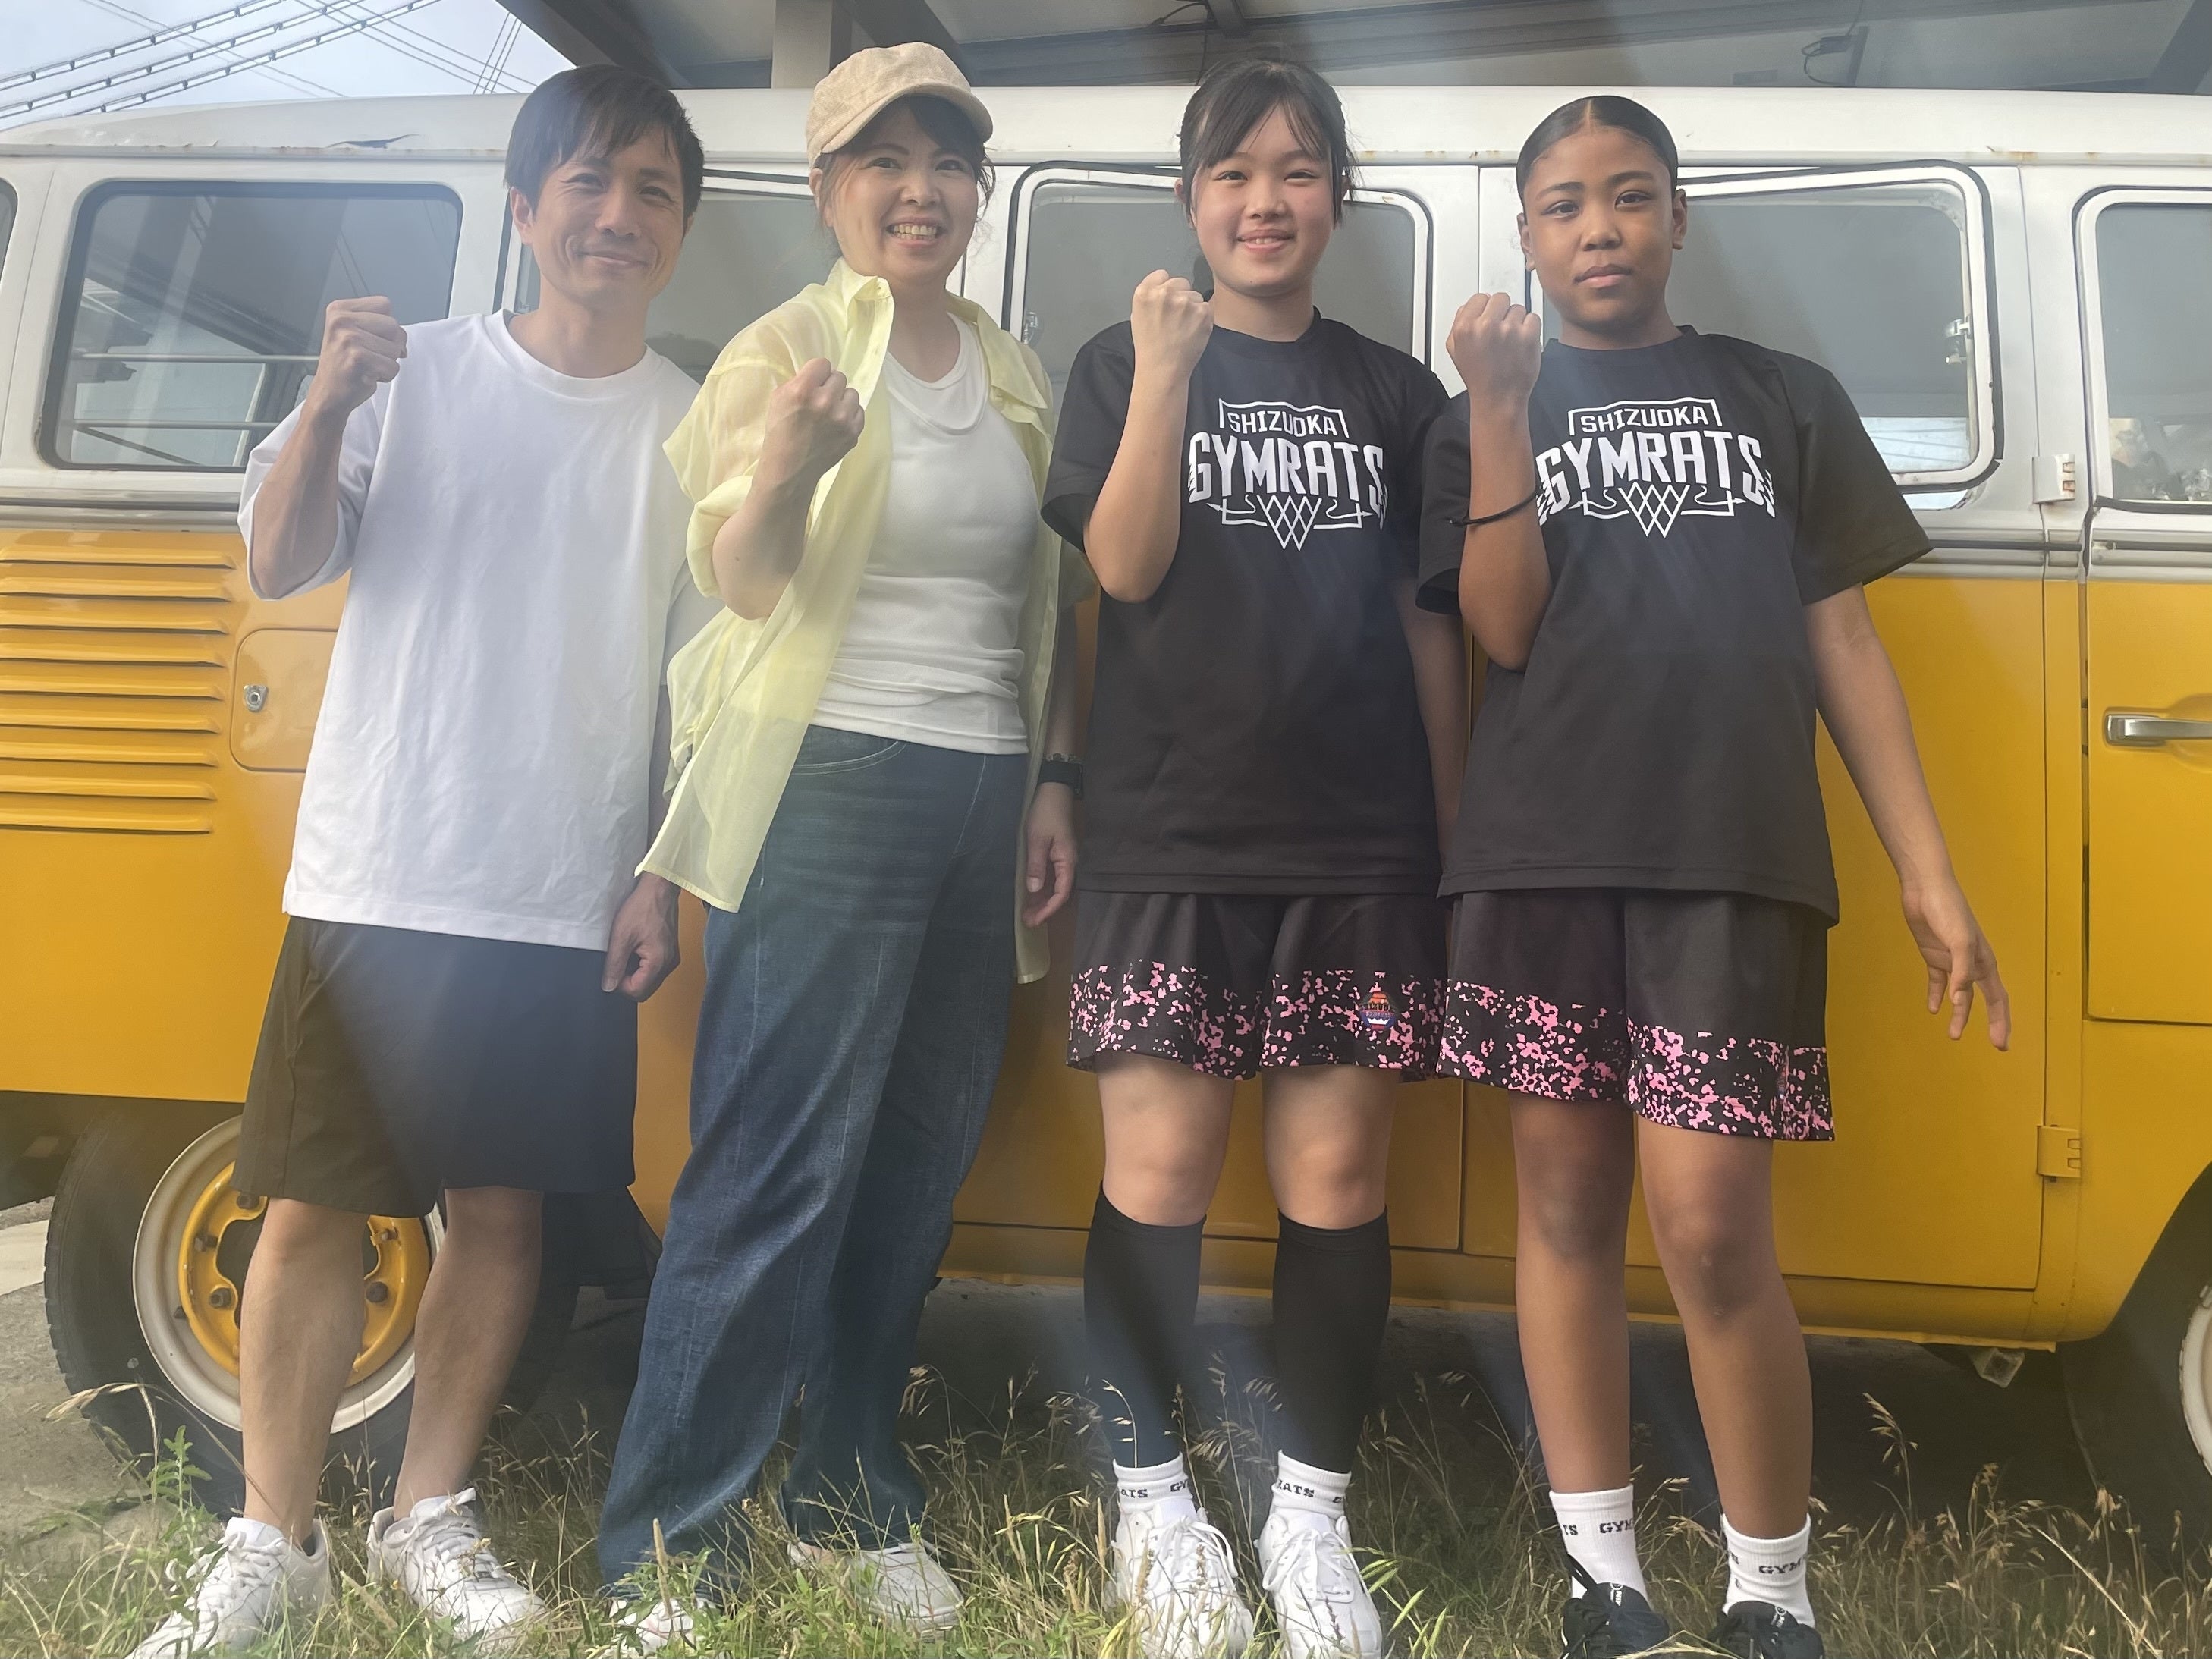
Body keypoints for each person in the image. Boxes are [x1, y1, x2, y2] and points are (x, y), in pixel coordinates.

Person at [126, 67, 709, 1659]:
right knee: (314, 1208)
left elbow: (699, 678)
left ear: (679, 230)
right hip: (381, 867)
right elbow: (281, 557)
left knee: (503, 1219)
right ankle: (272, 1539)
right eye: (588, 183)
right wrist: (324, 402)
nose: (618, 215)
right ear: (524, 209)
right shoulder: (415, 373)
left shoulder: (690, 424)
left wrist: (661, 867)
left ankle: (426, 1514)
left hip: (565, 885)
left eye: (653, 191)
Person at [1418, 96, 2010, 1659]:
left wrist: (1928, 870)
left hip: (1732, 858)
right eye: (1562, 205)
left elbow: (1844, 641)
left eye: (1629, 196)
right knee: (1565, 1207)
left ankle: (1772, 1587)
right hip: (1542, 860)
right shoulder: (1482, 410)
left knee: (1710, 1221)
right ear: (1526, 234)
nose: (1598, 228)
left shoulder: (1780, 396)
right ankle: (1603, 1577)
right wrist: (1499, 410)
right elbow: (1501, 629)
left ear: (1680, 217)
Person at [594, 42, 1088, 1649]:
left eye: (946, 161)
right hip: (829, 782)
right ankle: (666, 1545)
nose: (919, 190)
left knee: (913, 1168)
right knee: (772, 1167)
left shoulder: (1011, 372)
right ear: (827, 191)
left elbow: (1044, 605)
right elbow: (739, 581)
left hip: (982, 789)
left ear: (977, 191)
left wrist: (1052, 777)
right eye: (883, 162)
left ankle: (845, 1495)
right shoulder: (785, 348)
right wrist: (794, 467)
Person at [1042, 56, 1464, 1659]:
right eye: (1233, 172)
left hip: (1360, 845)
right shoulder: (1118, 364)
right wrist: (1166, 374)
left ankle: (1309, 1518)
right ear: (1190, 198)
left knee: (1336, 1185)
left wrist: (1453, 840)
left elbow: (1432, 635)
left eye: (1296, 171)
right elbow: (1123, 566)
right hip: (1170, 834)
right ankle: (1153, 1510)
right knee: (1155, 1177)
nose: (1265, 201)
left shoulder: (1397, 395)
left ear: (1340, 197)